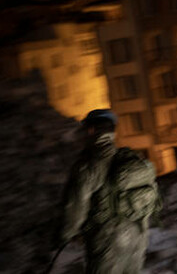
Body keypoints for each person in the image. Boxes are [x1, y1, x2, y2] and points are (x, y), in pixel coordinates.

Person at [58, 109, 159, 274]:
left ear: (90, 131)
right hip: (137, 237)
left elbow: (76, 206)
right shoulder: (127, 159)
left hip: (108, 239)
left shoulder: (89, 165)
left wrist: (65, 235)